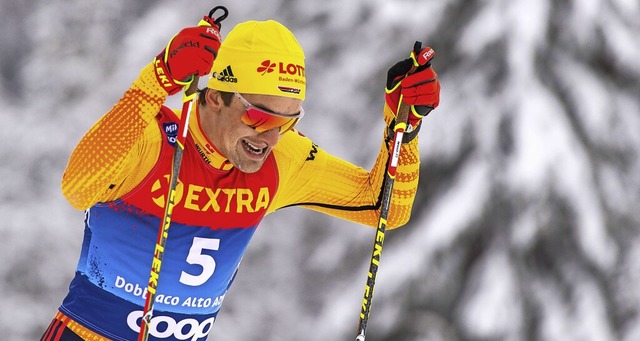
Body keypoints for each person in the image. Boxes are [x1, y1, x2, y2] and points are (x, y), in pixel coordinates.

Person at [41, 14, 440, 341]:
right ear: (215, 97)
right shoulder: (154, 139)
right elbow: (77, 188)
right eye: (260, 117)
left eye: (287, 121)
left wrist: (402, 125)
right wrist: (156, 81)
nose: (269, 138)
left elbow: (384, 208)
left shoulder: (282, 158)